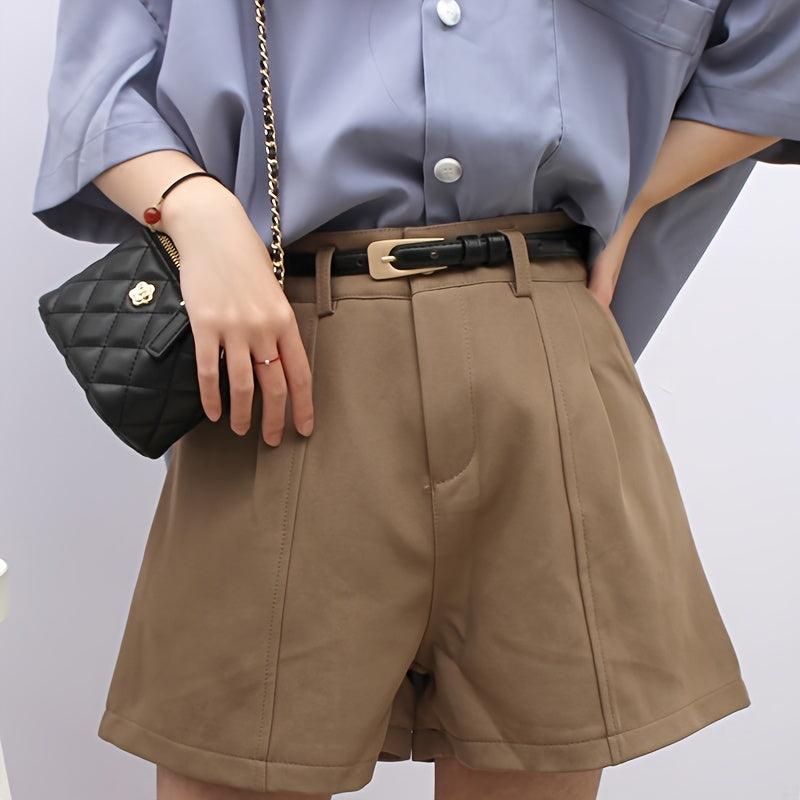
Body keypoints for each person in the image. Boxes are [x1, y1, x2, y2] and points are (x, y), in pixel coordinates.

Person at [31, 2, 799, 799]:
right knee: (232, 767)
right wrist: (194, 207)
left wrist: (638, 195)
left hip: (542, 364)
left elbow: (779, 43)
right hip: (284, 362)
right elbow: (103, 81)